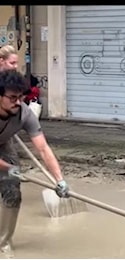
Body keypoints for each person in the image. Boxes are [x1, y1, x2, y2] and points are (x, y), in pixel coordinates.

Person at [0, 70, 70, 256]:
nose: (18, 102)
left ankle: (3, 243)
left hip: (3, 144)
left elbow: (43, 148)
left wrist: (59, 180)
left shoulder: (24, 114)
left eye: (20, 97)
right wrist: (9, 168)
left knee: (13, 193)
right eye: (12, 97)